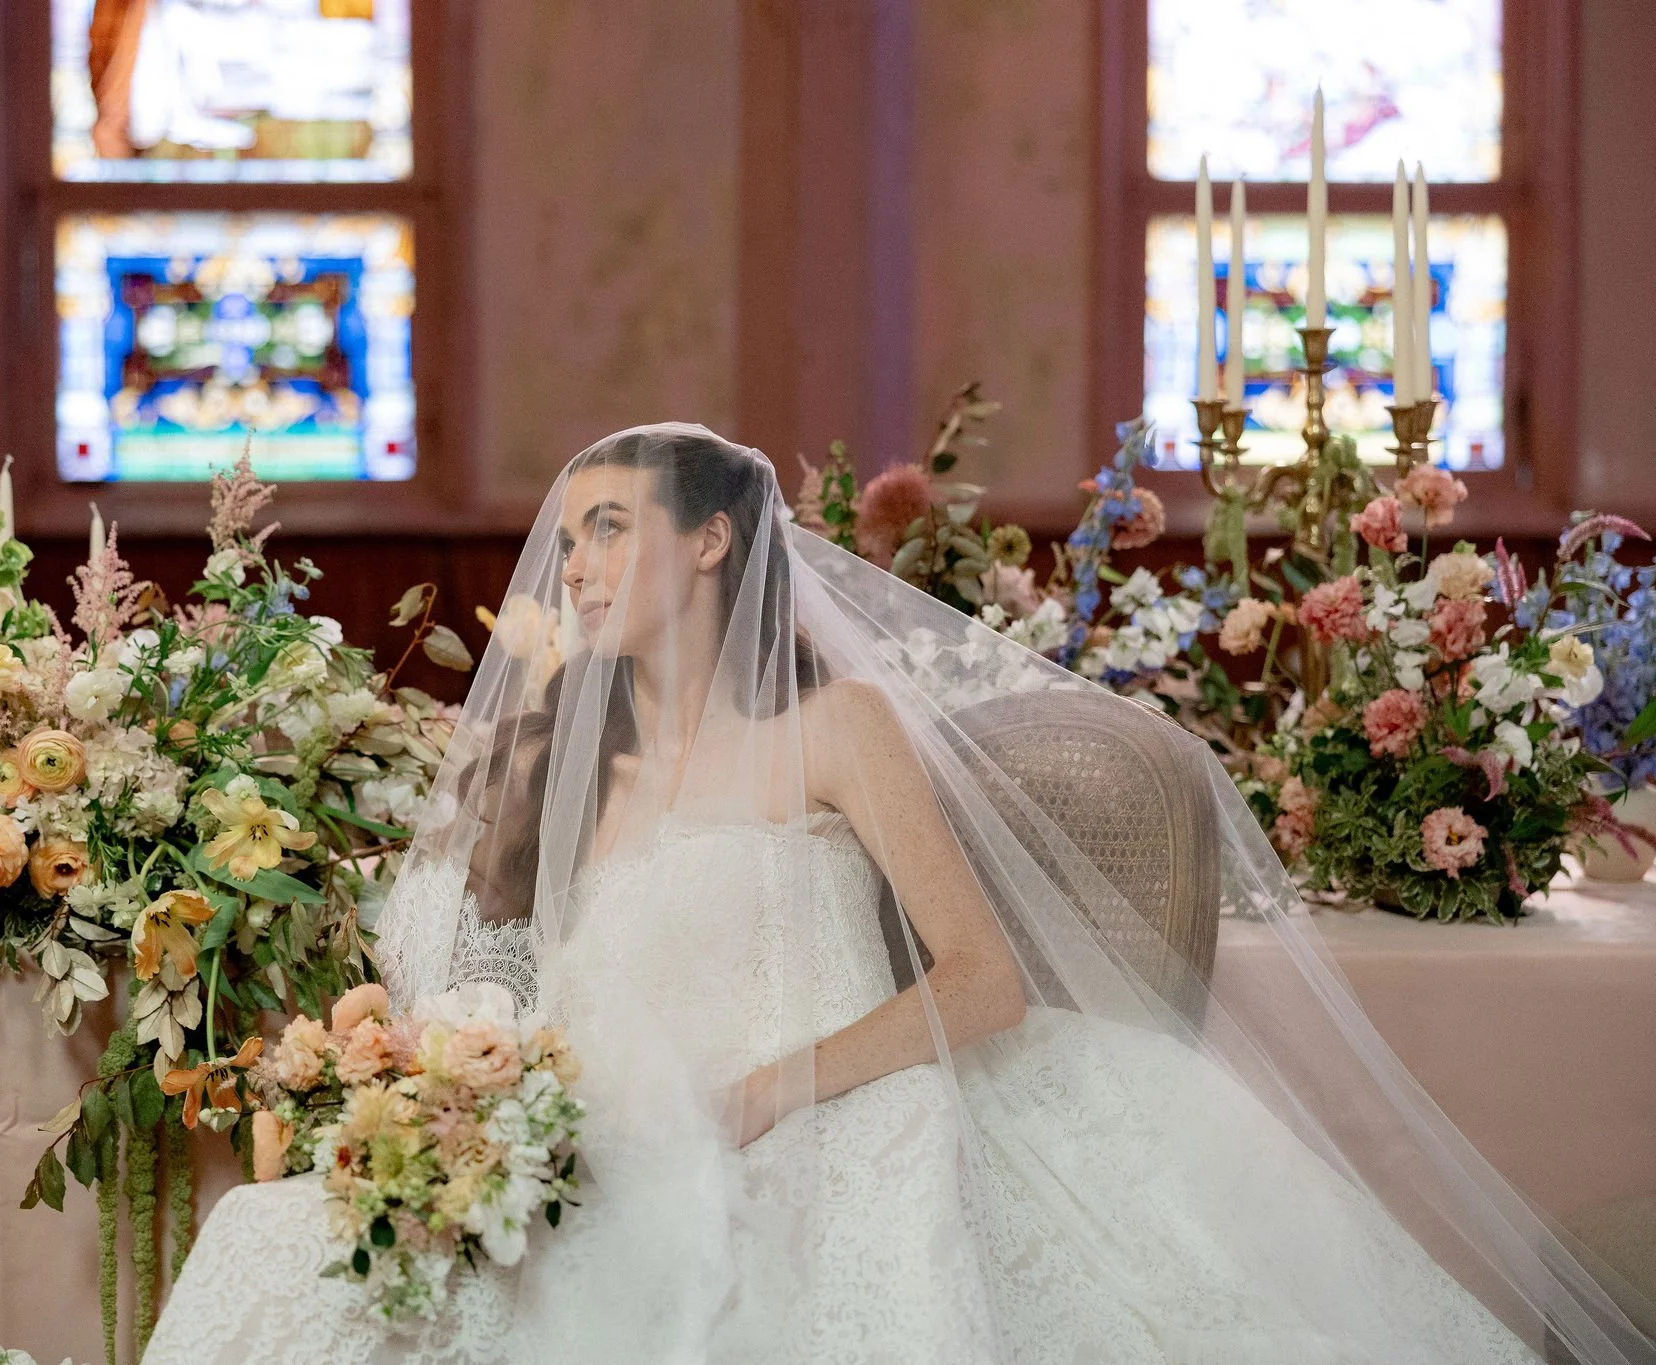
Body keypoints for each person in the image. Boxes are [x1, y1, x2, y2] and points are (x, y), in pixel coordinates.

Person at [145, 424, 1651, 1363]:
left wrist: (772, 1088)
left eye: (611, 527)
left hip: (844, 1104)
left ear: (712, 536)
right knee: (280, 1258)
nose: (577, 565)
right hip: (604, 1140)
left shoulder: (833, 733)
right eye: (573, 533)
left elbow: (983, 981)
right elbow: (513, 990)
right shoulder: (570, 775)